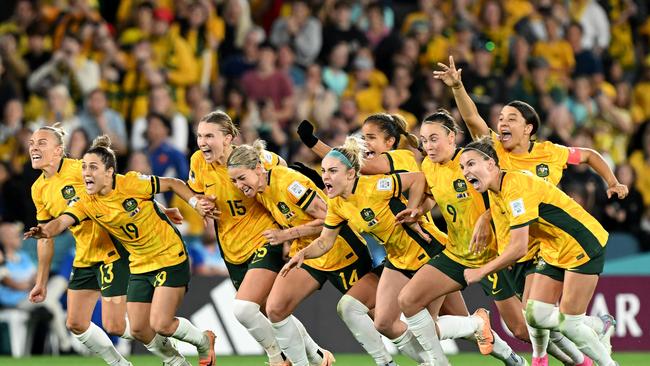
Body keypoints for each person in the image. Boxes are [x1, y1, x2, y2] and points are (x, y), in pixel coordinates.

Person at [435, 55, 623, 365]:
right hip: (533, 242)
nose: (501, 123)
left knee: (557, 321)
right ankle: (582, 337)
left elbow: (588, 155)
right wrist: (457, 87)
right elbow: (472, 120)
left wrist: (612, 181)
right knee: (533, 318)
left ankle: (573, 356)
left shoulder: (550, 153)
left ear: (529, 129)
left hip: (557, 239)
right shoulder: (494, 152)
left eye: (510, 119)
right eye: (500, 119)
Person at [282, 136, 492, 366]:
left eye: (332, 171)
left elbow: (417, 179)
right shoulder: (338, 204)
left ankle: (481, 332)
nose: (325, 177)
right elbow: (324, 242)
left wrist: (413, 211)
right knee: (382, 322)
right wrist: (303, 254)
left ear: (351, 173)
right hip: (398, 259)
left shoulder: (375, 186)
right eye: (323, 171)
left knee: (430, 327)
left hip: (428, 252)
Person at [25, 135, 217, 366]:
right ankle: (124, 363)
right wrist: (42, 272)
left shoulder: (80, 168)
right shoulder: (39, 189)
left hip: (114, 252)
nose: (34, 147)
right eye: (31, 143)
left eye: (41, 142)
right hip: (85, 255)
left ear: (58, 150)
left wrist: (161, 209)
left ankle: (176, 357)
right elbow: (59, 224)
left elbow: (125, 190)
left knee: (126, 325)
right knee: (76, 323)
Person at [227, 140, 392, 366]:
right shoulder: (260, 189)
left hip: (340, 250)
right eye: (233, 181)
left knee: (380, 319)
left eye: (241, 178)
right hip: (308, 254)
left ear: (257, 168)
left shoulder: (288, 183)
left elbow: (328, 219)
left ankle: (405, 358)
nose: (238, 185)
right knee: (275, 309)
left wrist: (287, 235)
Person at [459, 137, 618, 366]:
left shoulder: (516, 187)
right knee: (534, 315)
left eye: (471, 164)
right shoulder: (497, 189)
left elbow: (519, 246)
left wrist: (482, 270)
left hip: (581, 242)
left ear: (491, 164)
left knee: (569, 325)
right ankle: (595, 325)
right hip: (553, 247)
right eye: (463, 166)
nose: (466, 171)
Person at [189, 110, 326, 366]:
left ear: (228, 137)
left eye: (209, 135)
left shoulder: (256, 158)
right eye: (199, 136)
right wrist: (198, 203)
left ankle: (277, 357)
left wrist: (287, 224)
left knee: (244, 309)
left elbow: (283, 172)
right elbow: (196, 192)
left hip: (265, 239)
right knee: (267, 310)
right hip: (231, 248)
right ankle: (318, 357)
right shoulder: (198, 162)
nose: (202, 142)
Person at [395, 110, 527, 366]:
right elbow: (436, 194)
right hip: (455, 253)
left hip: (491, 256)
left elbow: (506, 194)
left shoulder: (471, 161)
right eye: (424, 140)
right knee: (408, 301)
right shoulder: (428, 167)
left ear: (452, 137)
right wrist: (420, 210)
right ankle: (444, 358)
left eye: (434, 139)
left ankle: (583, 333)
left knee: (521, 329)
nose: (428, 146)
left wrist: (486, 217)